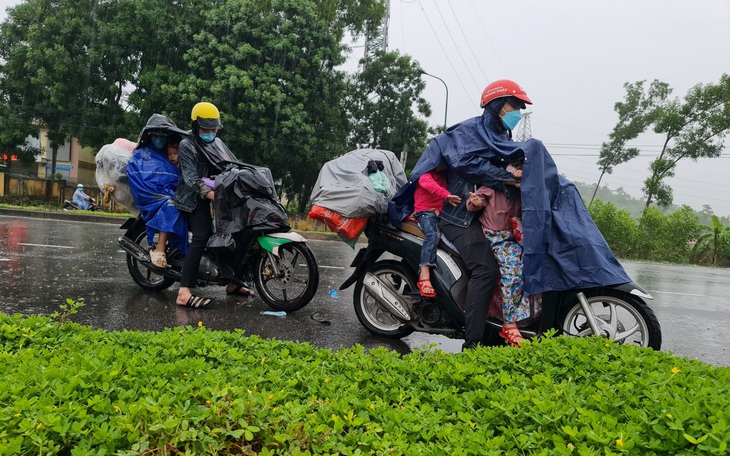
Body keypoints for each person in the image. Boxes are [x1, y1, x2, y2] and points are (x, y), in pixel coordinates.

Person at [389, 79, 533, 350]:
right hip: (458, 216)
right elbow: (467, 164)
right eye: (515, 106)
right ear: (498, 106)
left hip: (484, 218)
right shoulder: (468, 133)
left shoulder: (502, 138)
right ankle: (473, 343)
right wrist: (507, 178)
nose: (519, 112)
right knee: (486, 270)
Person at [173, 101, 254, 309]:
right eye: (205, 128)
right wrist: (213, 196)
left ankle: (232, 283)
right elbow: (191, 179)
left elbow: (232, 165)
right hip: (192, 199)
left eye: (213, 128)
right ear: (195, 126)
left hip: (216, 196)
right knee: (202, 236)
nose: (209, 132)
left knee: (236, 233)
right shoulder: (187, 145)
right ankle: (183, 292)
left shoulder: (216, 143)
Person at [467, 160, 528, 347]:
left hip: (515, 238)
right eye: (515, 167)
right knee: (513, 270)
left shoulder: (523, 191)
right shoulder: (493, 187)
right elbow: (474, 202)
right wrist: (475, 202)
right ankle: (509, 323)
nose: (517, 172)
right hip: (495, 237)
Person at [126, 114, 190, 269]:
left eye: (163, 135)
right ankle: (160, 248)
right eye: (156, 135)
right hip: (150, 196)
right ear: (150, 136)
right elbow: (138, 177)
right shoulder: (141, 155)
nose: (160, 139)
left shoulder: (171, 152)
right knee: (172, 205)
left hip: (170, 192)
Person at [412, 166, 461, 297]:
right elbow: (428, 184)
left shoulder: (446, 176)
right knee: (433, 235)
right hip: (425, 213)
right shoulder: (425, 173)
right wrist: (446, 195)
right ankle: (424, 273)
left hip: (439, 215)